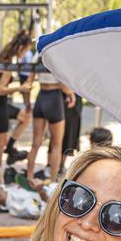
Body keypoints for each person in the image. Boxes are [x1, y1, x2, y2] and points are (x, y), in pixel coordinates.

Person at [0, 33, 32, 181]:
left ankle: (11, 148)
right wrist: (20, 88)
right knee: (0, 144)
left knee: (25, 117)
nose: (25, 55)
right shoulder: (8, 65)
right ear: (20, 48)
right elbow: (1, 90)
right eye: (25, 51)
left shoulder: (2, 58)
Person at [26, 56, 77, 184]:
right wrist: (71, 94)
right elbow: (62, 83)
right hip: (54, 99)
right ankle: (53, 181)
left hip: (41, 97)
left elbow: (28, 82)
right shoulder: (55, 57)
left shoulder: (38, 57)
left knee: (35, 143)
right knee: (56, 144)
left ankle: (29, 177)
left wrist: (27, 102)